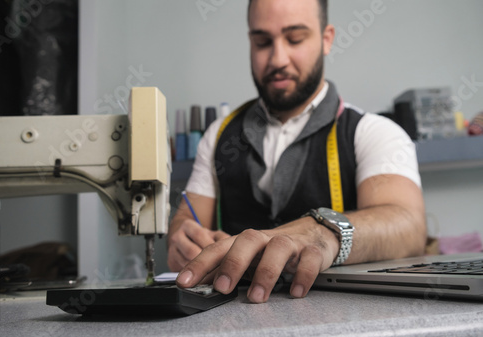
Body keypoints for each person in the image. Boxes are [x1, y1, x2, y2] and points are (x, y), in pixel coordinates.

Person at [168, 0, 426, 303]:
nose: (278, 58)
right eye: (262, 42)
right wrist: (181, 240)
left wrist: (322, 232)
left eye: (295, 39)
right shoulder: (218, 136)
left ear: (326, 39)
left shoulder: (373, 133)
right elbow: (188, 219)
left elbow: (407, 226)